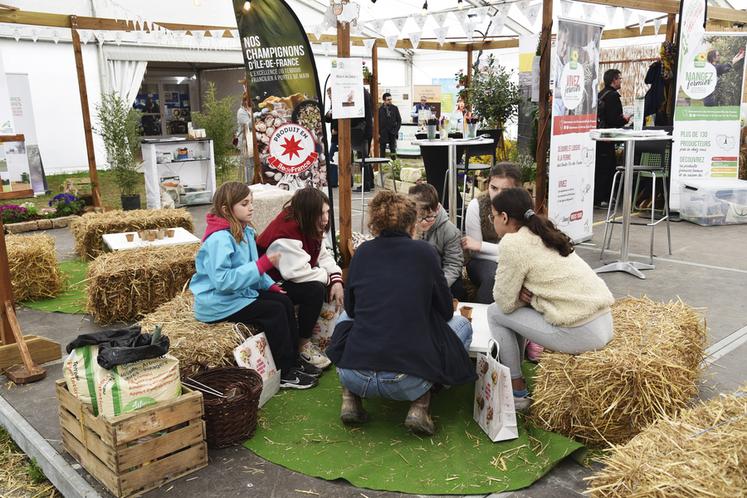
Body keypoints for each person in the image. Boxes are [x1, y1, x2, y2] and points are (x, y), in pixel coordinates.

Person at [326, 191, 475, 436]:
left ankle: (350, 396)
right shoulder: (425, 253)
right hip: (407, 381)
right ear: (411, 222)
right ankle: (420, 405)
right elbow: (444, 310)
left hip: (354, 374)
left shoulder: (362, 253)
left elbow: (352, 309)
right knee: (462, 326)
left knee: (346, 319)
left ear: (374, 224)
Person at [486, 188, 614, 410]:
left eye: (493, 216)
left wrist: (521, 298)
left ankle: (517, 392)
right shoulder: (544, 232)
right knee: (509, 312)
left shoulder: (512, 243)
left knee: (495, 313)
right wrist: (524, 297)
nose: (493, 221)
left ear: (504, 217)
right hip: (603, 323)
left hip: (580, 331)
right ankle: (518, 378)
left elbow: (504, 302)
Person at [189, 182, 320, 389]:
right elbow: (223, 282)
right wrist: (262, 265)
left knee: (283, 301)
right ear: (226, 209)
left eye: (251, 202)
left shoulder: (245, 231)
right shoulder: (219, 239)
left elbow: (251, 268)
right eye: (244, 203)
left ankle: (293, 360)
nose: (251, 207)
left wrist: (269, 285)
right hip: (218, 302)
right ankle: (284, 372)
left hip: (236, 295)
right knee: (274, 311)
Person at [256, 187, 343, 370]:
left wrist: (336, 279)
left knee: (325, 284)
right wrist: (328, 280)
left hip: (287, 277)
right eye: (321, 214)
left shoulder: (309, 223)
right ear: (308, 212)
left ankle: (329, 340)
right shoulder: (286, 233)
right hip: (269, 283)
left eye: (327, 212)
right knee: (314, 290)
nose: (326, 218)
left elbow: (322, 255)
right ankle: (303, 344)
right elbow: (296, 272)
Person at [461, 163, 523, 304]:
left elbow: (522, 250)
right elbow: (474, 252)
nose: (497, 194)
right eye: (493, 188)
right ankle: (480, 316)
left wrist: (481, 245)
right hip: (481, 261)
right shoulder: (476, 206)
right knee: (494, 276)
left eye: (505, 190)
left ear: (516, 190)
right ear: (487, 184)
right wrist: (503, 256)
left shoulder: (522, 207)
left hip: (514, 259)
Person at [408, 183, 465, 300]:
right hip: (414, 274)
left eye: (429, 217)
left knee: (458, 290)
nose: (424, 222)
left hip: (440, 277)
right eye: (419, 217)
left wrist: (437, 286)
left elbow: (453, 264)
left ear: (437, 209)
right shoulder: (406, 225)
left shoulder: (450, 231)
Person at [595, 69, 631, 207]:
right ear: (613, 80)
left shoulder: (601, 94)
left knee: (600, 168)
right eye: (619, 78)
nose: (621, 81)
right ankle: (602, 199)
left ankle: (598, 197)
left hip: (599, 137)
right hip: (607, 137)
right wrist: (624, 120)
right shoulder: (613, 96)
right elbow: (614, 119)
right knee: (607, 168)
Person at [352, 87, 374, 192]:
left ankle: (366, 185)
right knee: (365, 156)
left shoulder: (360, 94)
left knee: (363, 158)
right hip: (367, 129)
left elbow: (358, 113)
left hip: (362, 130)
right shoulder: (365, 93)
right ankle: (370, 182)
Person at [235, 92, 254, 182]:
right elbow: (248, 125)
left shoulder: (252, 109)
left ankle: (255, 181)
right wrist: (256, 117)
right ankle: (249, 184)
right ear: (244, 100)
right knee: (248, 165)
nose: (249, 101)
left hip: (254, 141)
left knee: (254, 164)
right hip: (246, 142)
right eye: (247, 100)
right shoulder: (241, 111)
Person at [379, 92, 401, 158]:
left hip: (392, 132)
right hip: (383, 133)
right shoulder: (380, 110)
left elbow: (399, 120)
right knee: (382, 149)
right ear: (384, 100)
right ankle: (382, 164)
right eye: (388, 100)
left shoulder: (395, 108)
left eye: (391, 99)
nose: (390, 101)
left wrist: (395, 131)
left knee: (393, 149)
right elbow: (377, 122)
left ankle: (394, 164)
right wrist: (378, 132)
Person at [324, 88, 338, 187]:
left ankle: (333, 182)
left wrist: (336, 128)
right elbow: (327, 119)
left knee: (332, 158)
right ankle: (349, 181)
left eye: (330, 94)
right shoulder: (332, 104)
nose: (329, 97)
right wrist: (328, 114)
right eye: (328, 95)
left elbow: (339, 117)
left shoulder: (337, 103)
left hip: (337, 136)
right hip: (335, 136)